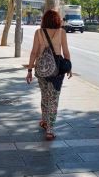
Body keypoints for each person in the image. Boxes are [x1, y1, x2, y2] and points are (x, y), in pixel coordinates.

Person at [26, 10, 72, 140]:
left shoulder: (39, 32)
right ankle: (50, 130)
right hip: (57, 69)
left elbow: (34, 52)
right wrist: (69, 68)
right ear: (57, 20)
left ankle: (45, 121)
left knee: (45, 95)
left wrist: (30, 70)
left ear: (44, 20)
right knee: (53, 98)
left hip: (41, 68)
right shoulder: (61, 32)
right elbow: (66, 52)